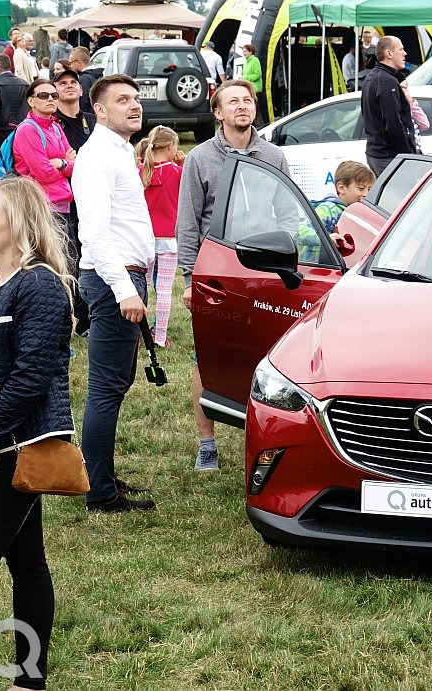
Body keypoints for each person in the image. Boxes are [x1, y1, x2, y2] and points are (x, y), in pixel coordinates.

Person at [0, 176, 75, 691]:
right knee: (27, 560)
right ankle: (30, 682)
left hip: (10, 445)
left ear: (18, 224)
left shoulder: (39, 285)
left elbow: (32, 378)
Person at [177, 79, 290, 471]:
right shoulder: (200, 159)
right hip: (217, 274)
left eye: (247, 100)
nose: (242, 106)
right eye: (233, 102)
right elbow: (188, 223)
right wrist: (190, 279)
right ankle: (207, 442)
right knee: (207, 357)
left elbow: (289, 212)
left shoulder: (273, 156)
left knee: (270, 360)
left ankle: (264, 440)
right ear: (218, 112)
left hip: (265, 272)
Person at [71, 75, 157, 512]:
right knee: (106, 387)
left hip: (125, 276)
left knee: (116, 384)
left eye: (137, 99)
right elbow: (95, 233)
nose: (134, 106)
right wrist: (124, 289)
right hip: (113, 280)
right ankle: (100, 492)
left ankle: (102, 475)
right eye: (123, 100)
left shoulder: (119, 151)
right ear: (99, 110)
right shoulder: (97, 157)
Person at [53, 68, 97, 336]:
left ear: (81, 90)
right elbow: (57, 161)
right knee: (71, 258)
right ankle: (78, 317)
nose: (69, 86)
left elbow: (91, 159)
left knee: (92, 253)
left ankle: (92, 313)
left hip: (92, 196)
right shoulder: (53, 123)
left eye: (73, 82)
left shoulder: (93, 121)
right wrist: (70, 162)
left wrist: (73, 160)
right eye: (63, 83)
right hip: (66, 201)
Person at [138, 126, 183, 348]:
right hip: (168, 239)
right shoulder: (176, 172)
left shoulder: (139, 171)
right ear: (170, 147)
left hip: (143, 238)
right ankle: (160, 336)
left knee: (142, 286)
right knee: (164, 289)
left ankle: (141, 333)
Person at [12, 79, 76, 219]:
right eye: (43, 95)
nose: (50, 99)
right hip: (41, 206)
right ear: (31, 101)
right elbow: (43, 173)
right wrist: (66, 164)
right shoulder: (27, 130)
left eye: (54, 96)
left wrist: (61, 163)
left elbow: (76, 167)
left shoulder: (55, 127)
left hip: (63, 202)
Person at [361, 35, 415, 176]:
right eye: (401, 49)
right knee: (399, 197)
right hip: (388, 156)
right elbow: (393, 123)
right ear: (389, 53)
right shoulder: (386, 81)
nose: (405, 53)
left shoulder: (373, 77)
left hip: (379, 153)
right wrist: (408, 155)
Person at [309, 160, 376, 242]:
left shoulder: (360, 212)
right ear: (341, 188)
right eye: (361, 188)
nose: (366, 194)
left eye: (369, 189)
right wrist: (327, 239)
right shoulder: (328, 209)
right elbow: (302, 231)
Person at [69, 47, 106, 113]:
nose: (70, 66)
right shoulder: (98, 76)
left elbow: (83, 104)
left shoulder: (84, 79)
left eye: (70, 63)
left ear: (78, 62)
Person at [399, 80, 429, 153]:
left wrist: (412, 103)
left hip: (416, 150)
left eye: (405, 88)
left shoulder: (411, 108)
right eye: (401, 88)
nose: (404, 91)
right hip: (404, 151)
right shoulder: (395, 107)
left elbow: (425, 125)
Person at [241, 44, 265, 126]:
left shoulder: (255, 60)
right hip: (248, 89)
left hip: (255, 89)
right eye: (243, 51)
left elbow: (258, 74)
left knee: (256, 109)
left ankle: (260, 126)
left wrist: (245, 78)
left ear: (251, 52)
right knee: (252, 108)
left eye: (245, 51)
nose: (244, 53)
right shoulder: (245, 62)